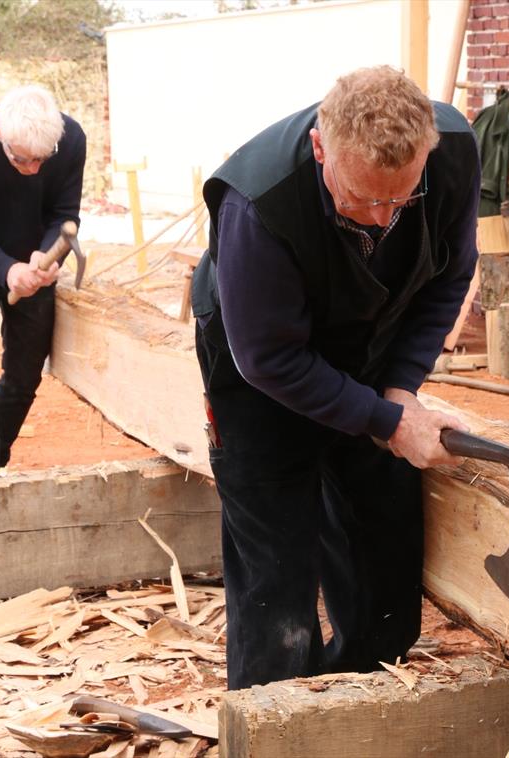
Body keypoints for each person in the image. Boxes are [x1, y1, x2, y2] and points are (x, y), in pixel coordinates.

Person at [191, 66, 480, 689]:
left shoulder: (451, 152)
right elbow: (271, 360)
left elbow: (448, 277)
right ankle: (276, 714)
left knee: (383, 546)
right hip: (258, 368)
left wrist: (399, 392)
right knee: (277, 575)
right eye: (365, 198)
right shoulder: (258, 202)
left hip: (369, 347)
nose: (383, 219)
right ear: (322, 148)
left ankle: (365, 695)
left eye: (401, 199)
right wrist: (381, 419)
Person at [0, 85, 86, 474]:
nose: (34, 170)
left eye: (42, 159)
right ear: (1, 134)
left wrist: (47, 252)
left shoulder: (70, 140)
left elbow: (64, 214)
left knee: (24, 376)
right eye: (22, 160)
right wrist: (6, 269)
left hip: (36, 268)